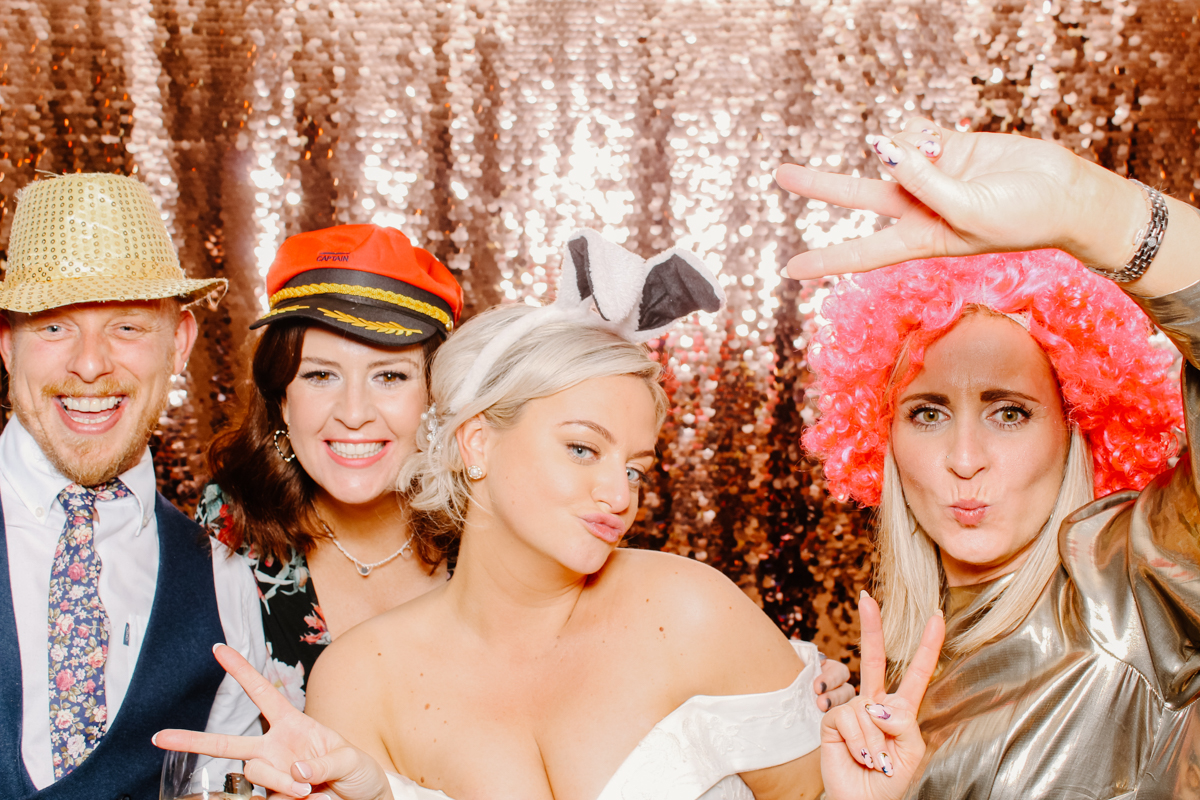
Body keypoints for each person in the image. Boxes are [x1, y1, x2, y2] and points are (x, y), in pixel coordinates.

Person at [156, 229, 859, 800]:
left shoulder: (690, 610)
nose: (621, 496)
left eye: (637, 468)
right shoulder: (343, 664)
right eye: (583, 449)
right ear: (476, 440)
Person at [779, 119, 1200, 798]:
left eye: (1011, 412)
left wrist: (1089, 207)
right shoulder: (898, 687)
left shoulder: (1134, 599)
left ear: (1079, 426)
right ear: (882, 438)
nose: (965, 459)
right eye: (927, 413)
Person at [0, 173, 266, 800]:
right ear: (7, 346)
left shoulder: (224, 582)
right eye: (54, 326)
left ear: (178, 344)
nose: (89, 365)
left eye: (127, 327)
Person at [198, 224, 463, 709]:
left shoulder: (488, 523)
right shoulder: (231, 525)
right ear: (282, 399)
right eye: (320, 375)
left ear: (436, 396)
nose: (355, 413)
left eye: (389, 376)